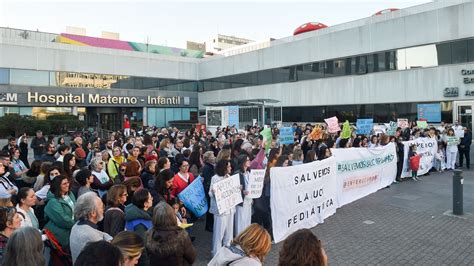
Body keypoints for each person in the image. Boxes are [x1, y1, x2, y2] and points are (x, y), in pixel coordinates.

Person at [70, 192, 112, 263]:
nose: (103, 210)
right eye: (102, 207)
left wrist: (108, 239)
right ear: (93, 213)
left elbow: (101, 233)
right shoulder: (91, 236)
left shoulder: (77, 225)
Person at [209, 159, 235, 256]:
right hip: (221, 210)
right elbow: (210, 193)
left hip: (230, 209)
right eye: (228, 166)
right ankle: (216, 253)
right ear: (224, 167)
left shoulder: (229, 177)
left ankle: (227, 252)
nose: (230, 168)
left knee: (229, 232)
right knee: (219, 233)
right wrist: (214, 192)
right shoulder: (215, 178)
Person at [44, 175, 76, 250]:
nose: (67, 185)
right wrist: (77, 225)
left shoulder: (70, 194)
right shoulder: (53, 202)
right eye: (64, 184)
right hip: (60, 234)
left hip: (72, 229)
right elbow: (63, 220)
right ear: (58, 186)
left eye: (67, 182)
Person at [234, 155, 252, 237]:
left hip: (249, 200)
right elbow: (234, 188)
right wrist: (241, 190)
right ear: (243, 162)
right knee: (240, 220)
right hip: (241, 201)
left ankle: (246, 237)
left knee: (247, 219)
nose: (249, 161)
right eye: (247, 160)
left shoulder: (249, 173)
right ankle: (239, 238)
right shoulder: (237, 173)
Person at [201, 151, 216, 232]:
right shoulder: (207, 168)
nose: (214, 157)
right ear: (208, 158)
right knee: (210, 208)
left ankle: (210, 225)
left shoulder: (210, 166)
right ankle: (209, 226)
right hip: (208, 189)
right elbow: (208, 180)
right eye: (213, 155)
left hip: (209, 188)